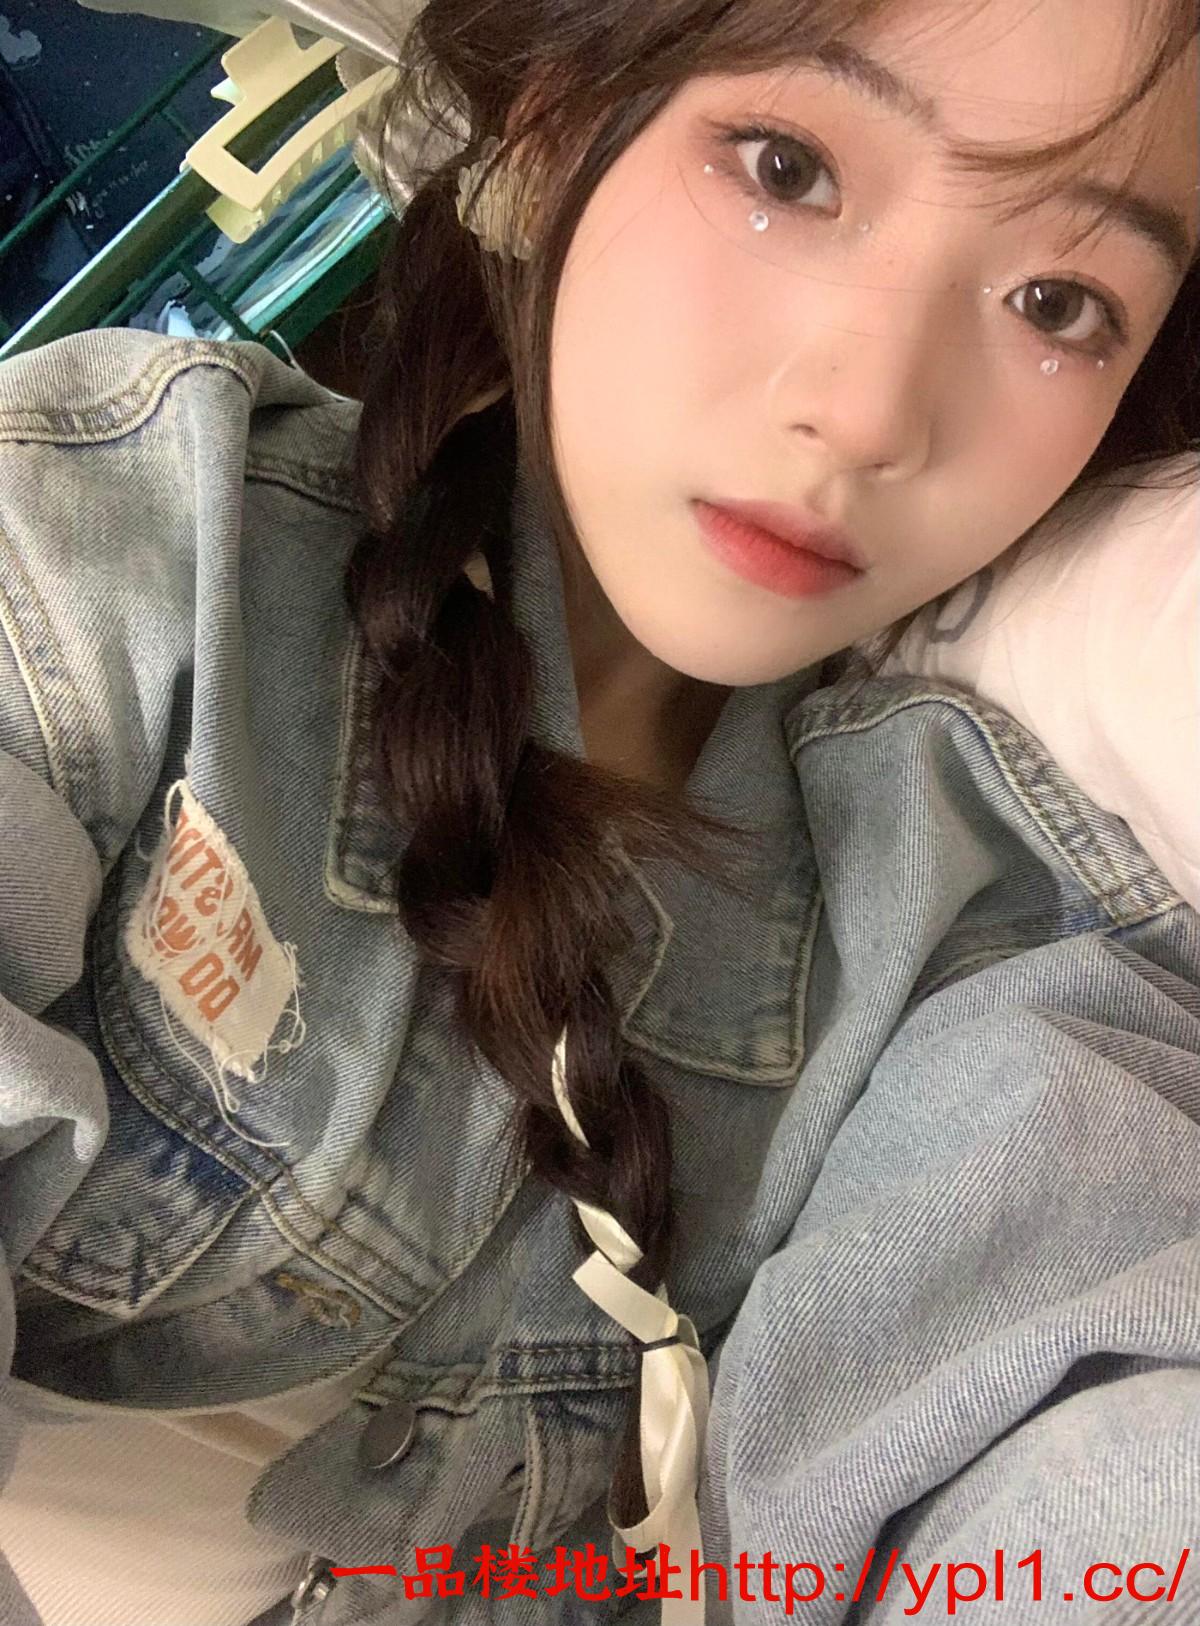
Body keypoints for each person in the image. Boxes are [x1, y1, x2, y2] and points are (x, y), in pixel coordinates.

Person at [0, 0, 1197, 1620]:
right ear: (560, 115)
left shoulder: (964, 928)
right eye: (787, 168)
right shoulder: (125, 564)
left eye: (1059, 303)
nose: (868, 410)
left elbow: (1085, 1467)